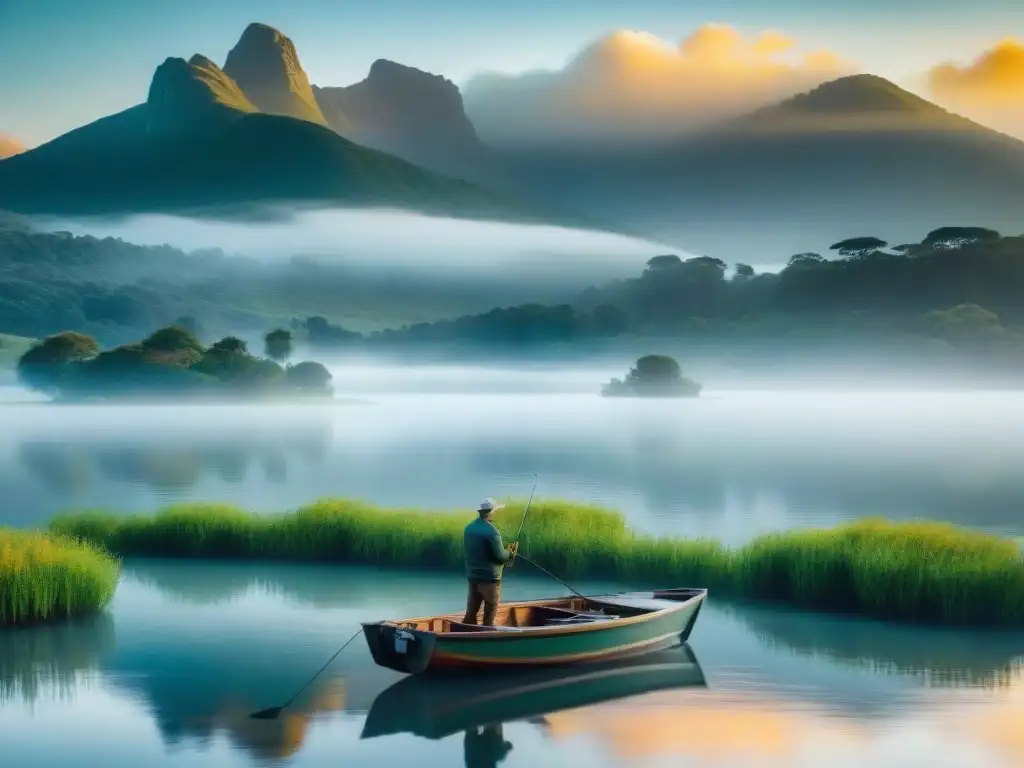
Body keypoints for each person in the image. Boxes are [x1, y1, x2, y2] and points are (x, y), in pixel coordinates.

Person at [462, 497, 518, 626]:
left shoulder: (468, 528)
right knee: (489, 613)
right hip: (490, 580)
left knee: (471, 613)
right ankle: (486, 635)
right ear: (491, 512)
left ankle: (467, 633)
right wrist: (510, 553)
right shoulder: (493, 533)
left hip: (473, 578)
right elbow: (499, 557)